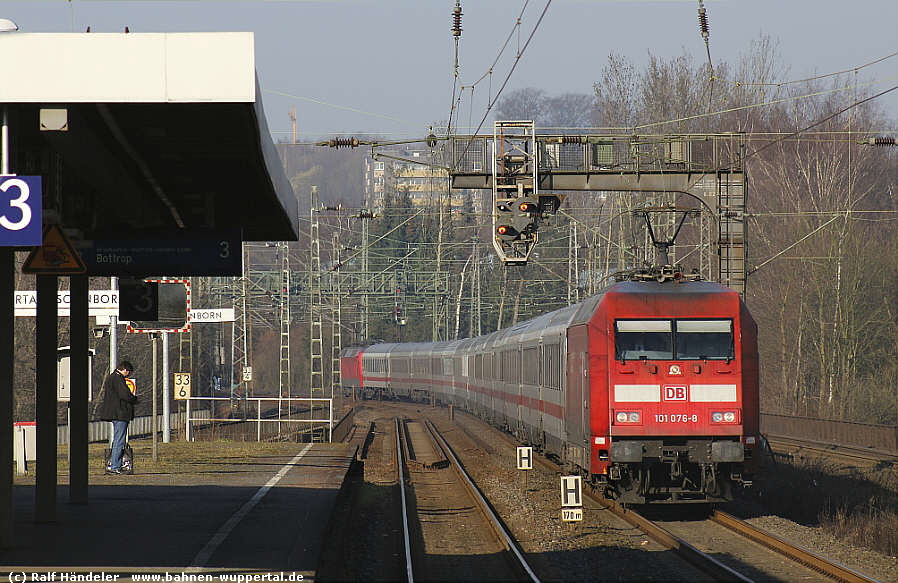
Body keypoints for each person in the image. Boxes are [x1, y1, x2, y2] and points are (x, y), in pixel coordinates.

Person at [98, 360, 138, 474]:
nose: (128, 375)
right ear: (125, 370)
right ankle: (115, 466)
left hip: (115, 413)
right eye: (128, 372)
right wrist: (134, 399)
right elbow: (125, 394)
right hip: (120, 413)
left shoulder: (111, 378)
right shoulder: (118, 379)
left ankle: (115, 464)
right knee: (119, 440)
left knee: (117, 439)